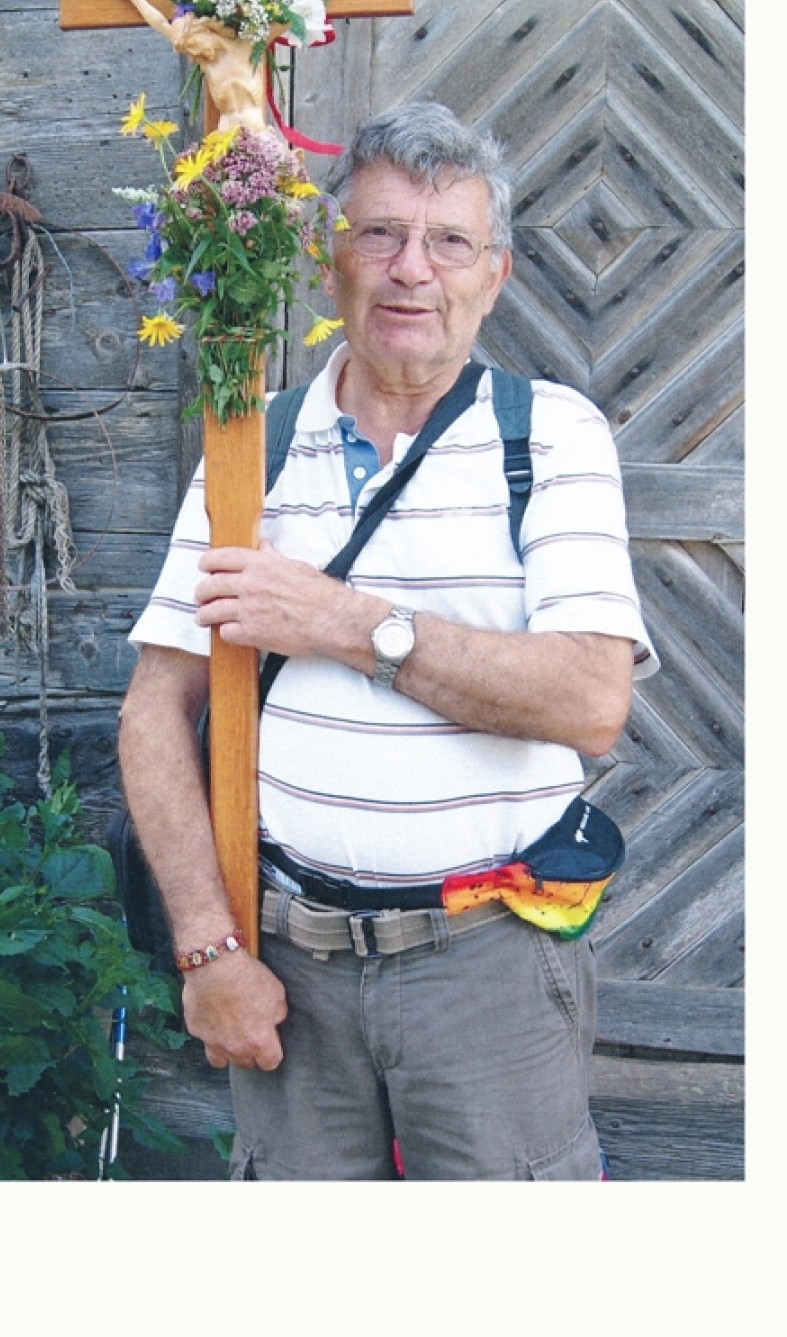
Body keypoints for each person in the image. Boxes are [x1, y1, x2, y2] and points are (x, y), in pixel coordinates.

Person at [117, 102, 658, 1180]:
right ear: (332, 263)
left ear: (490, 276)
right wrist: (209, 946)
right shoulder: (250, 445)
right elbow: (150, 710)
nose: (411, 270)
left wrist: (345, 623)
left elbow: (588, 701)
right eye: (380, 235)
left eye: (447, 242)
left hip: (488, 969)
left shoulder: (545, 436)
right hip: (288, 967)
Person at [107, 0, 348, 135]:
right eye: (190, 50)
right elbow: (160, 23)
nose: (194, 54)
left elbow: (292, 16)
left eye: (194, 46)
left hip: (258, 137)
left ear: (206, 30)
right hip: (223, 140)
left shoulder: (249, 44)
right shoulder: (207, 63)